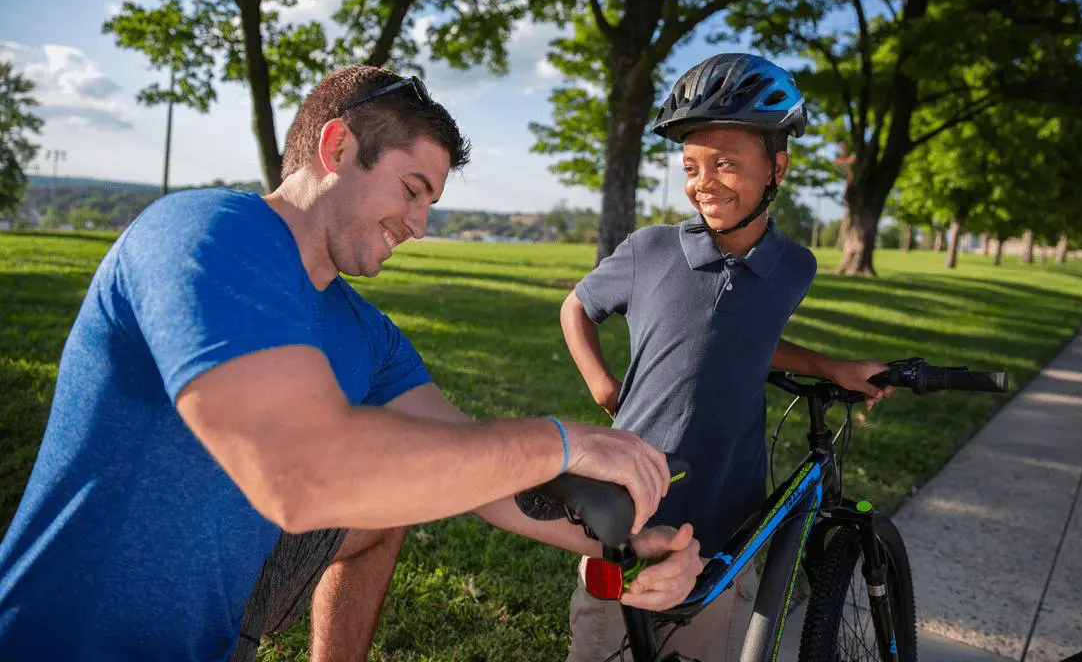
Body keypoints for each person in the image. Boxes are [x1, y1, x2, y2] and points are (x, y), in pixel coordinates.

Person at [0, 66, 703, 662]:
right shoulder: (209, 233)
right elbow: (301, 475)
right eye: (412, 189)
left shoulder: (368, 333)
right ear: (337, 147)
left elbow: (480, 477)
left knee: (381, 514)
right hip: (58, 640)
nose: (421, 225)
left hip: (213, 631)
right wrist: (564, 436)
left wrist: (627, 535)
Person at [559, 53, 897, 662]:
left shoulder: (795, 267)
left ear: (778, 168)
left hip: (728, 508)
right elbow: (576, 308)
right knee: (606, 640)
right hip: (634, 494)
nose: (704, 182)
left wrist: (831, 367)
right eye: (691, 166)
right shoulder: (651, 250)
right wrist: (604, 387)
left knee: (706, 641)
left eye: (726, 164)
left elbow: (749, 339)